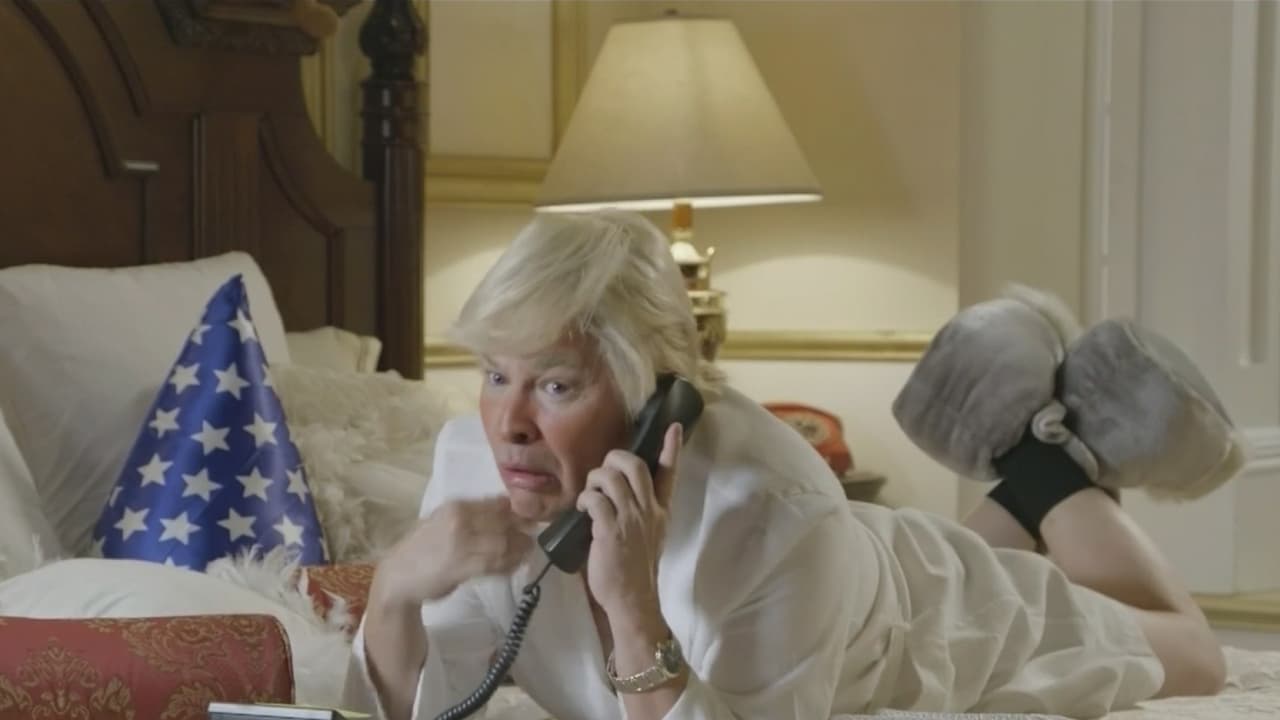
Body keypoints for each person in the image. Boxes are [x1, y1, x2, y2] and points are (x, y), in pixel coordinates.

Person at [342, 211, 1237, 720]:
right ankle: (1031, 458)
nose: (510, 425)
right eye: (495, 375)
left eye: (556, 384)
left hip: (922, 610)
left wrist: (633, 607)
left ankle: (1049, 454)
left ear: (655, 404)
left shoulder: (775, 510)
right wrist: (395, 594)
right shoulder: (476, 466)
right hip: (851, 575)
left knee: (1192, 652)